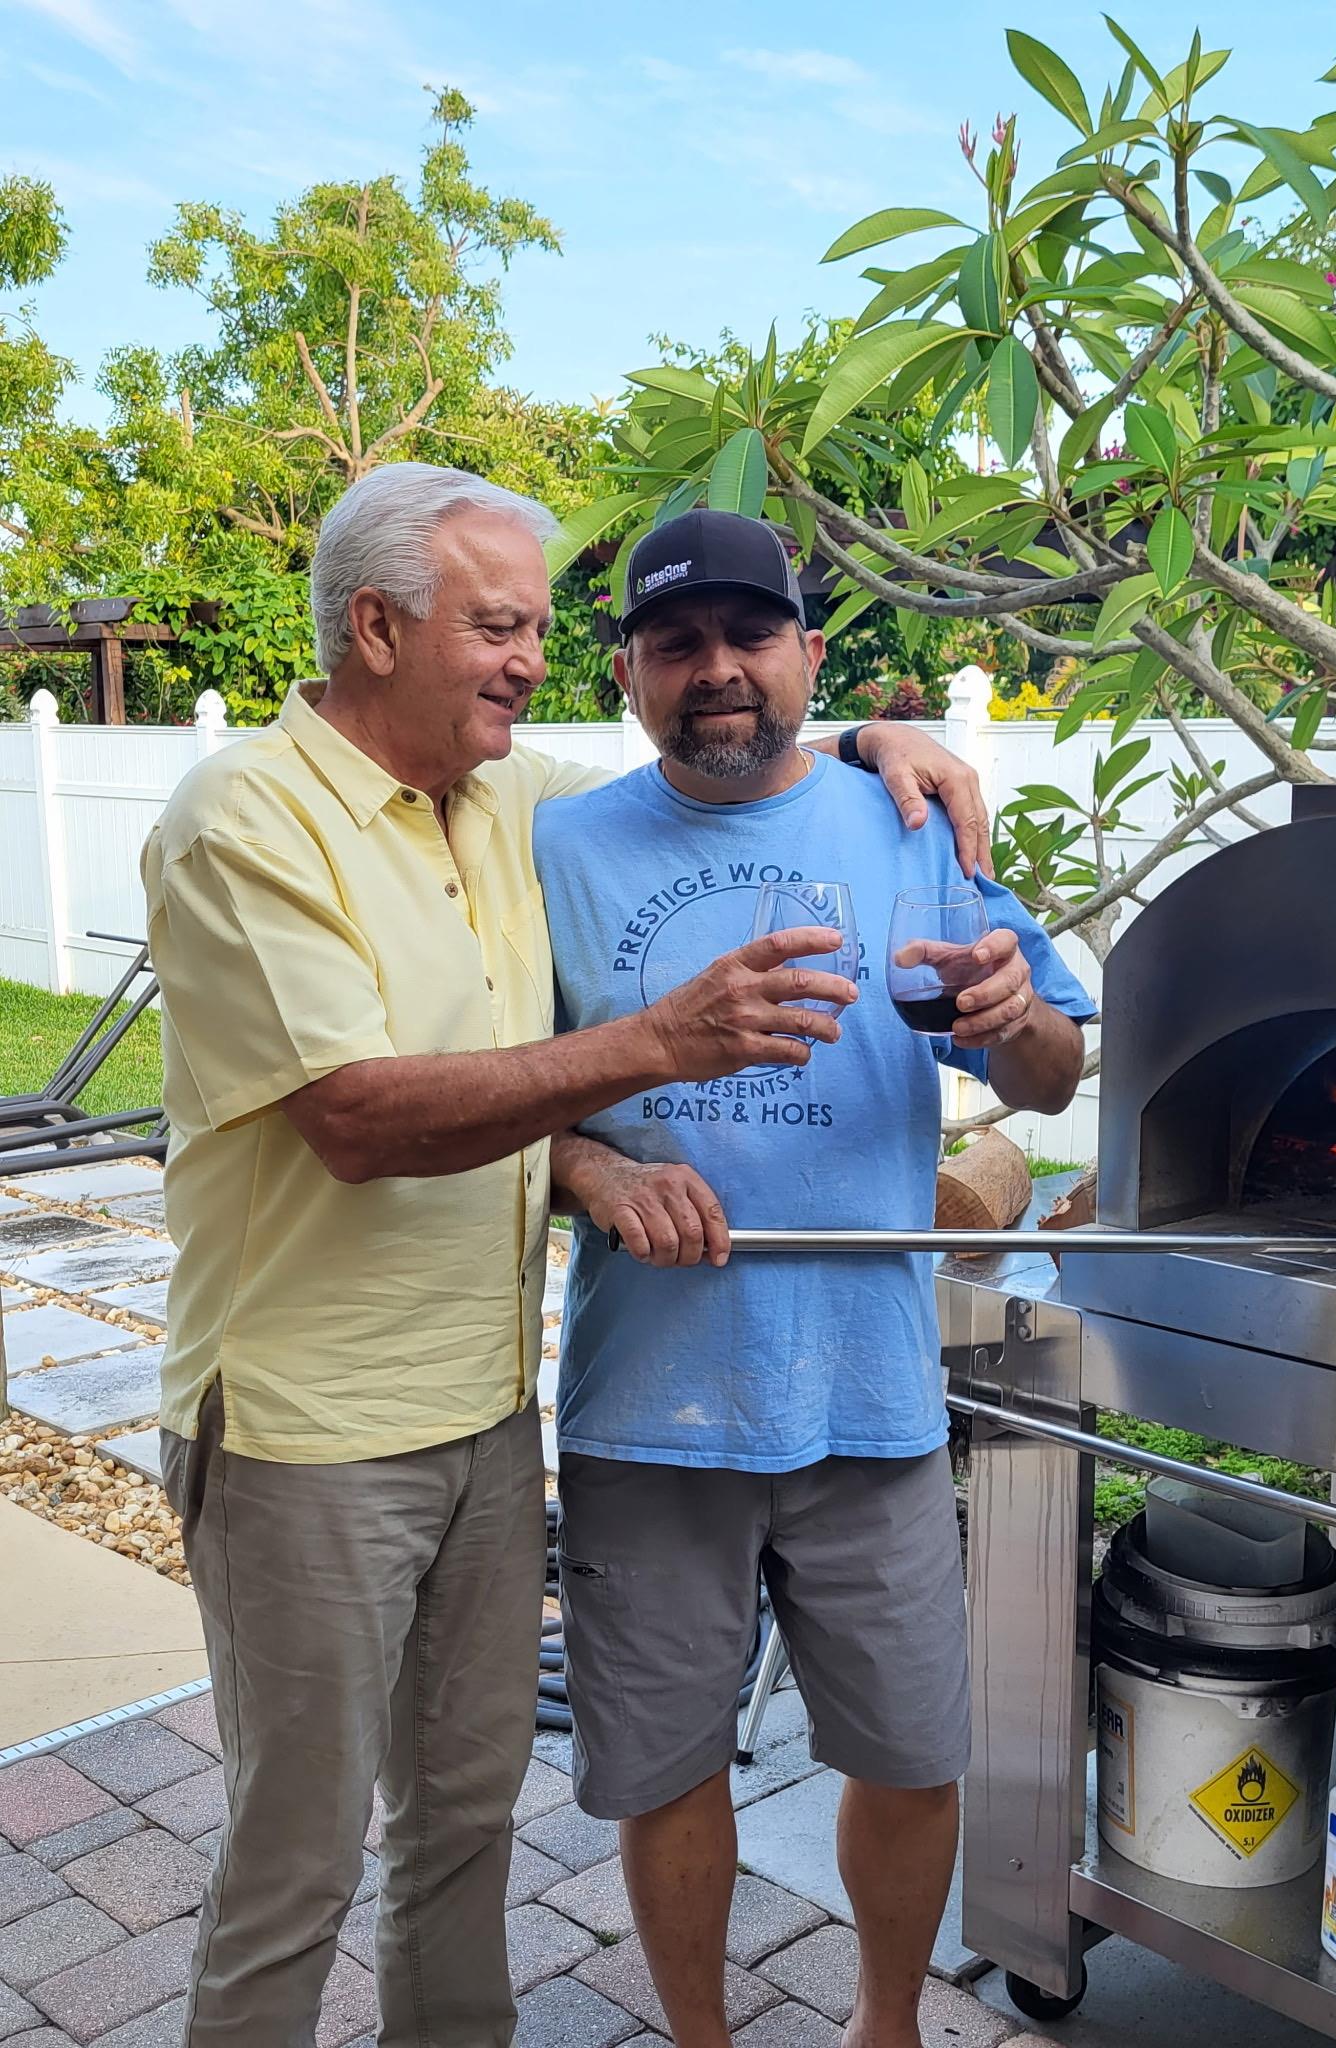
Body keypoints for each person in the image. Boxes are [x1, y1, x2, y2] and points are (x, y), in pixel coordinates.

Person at [141, 463, 996, 2048]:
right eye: (500, 624)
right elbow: (359, 1117)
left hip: (485, 1419)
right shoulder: (246, 815)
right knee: (294, 1862)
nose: (530, 659)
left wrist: (889, 741)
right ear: (379, 626)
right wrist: (650, 1059)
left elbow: (740, 758)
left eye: (541, 627)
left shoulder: (507, 801)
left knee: (463, 1827)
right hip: (305, 1434)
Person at [534, 507, 1096, 2048]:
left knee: (914, 1754)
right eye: (677, 643)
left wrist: (1009, 1023)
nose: (718, 669)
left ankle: (885, 2026)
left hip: (871, 1387)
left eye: (750, 635)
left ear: (811, 653)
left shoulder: (911, 824)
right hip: (651, 1400)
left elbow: (1051, 1071)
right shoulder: (555, 842)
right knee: (666, 1765)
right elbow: (515, 1083)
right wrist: (593, 1168)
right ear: (630, 672)